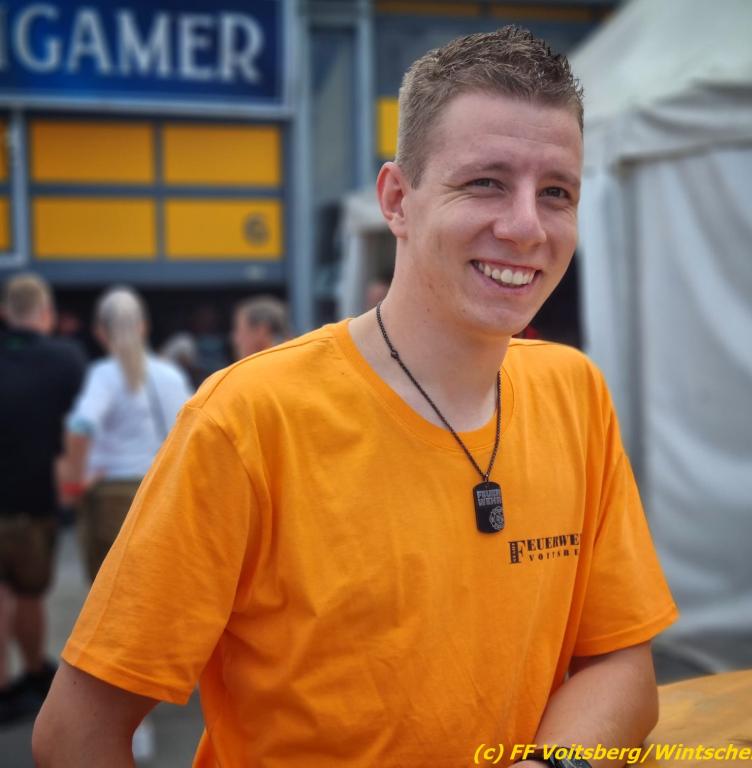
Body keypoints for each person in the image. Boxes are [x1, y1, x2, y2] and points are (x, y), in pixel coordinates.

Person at [34, 27, 677, 768]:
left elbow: (621, 663)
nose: (527, 226)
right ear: (397, 200)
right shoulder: (249, 421)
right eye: (486, 182)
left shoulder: (575, 393)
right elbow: (76, 733)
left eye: (556, 192)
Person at [56, 286, 191, 759]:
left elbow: (81, 428)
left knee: (115, 619)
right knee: (163, 607)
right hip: (163, 495)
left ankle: (133, 726)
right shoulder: (170, 375)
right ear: (144, 327)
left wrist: (73, 480)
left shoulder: (104, 375)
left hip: (112, 500)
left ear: (100, 332)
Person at [0, 273, 85, 724]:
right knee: (29, 593)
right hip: (34, 500)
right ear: (47, 313)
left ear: (5, 312)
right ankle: (33, 673)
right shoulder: (66, 360)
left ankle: (5, 688)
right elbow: (81, 428)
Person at [230, 294, 290, 360]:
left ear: (262, 330)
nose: (235, 339)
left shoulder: (268, 363)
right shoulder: (293, 354)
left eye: (239, 330)